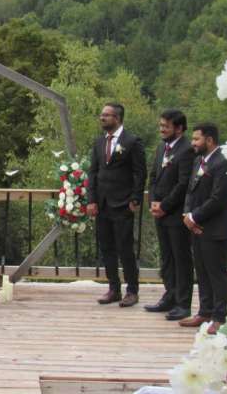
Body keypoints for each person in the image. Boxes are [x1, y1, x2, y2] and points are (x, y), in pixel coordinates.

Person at [87, 103, 146, 307]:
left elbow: (140, 172)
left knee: (125, 248)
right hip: (102, 203)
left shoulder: (132, 141)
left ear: (118, 118)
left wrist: (136, 198)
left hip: (122, 203)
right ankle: (114, 288)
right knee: (106, 247)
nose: (102, 118)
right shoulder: (99, 142)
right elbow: (92, 172)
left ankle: (132, 290)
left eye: (106, 115)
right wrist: (91, 200)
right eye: (101, 114)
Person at [179, 123, 227, 335]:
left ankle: (219, 317)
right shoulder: (198, 161)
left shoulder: (223, 162)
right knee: (201, 271)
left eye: (196, 139)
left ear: (209, 140)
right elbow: (190, 192)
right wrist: (187, 214)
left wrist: (195, 216)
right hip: (197, 227)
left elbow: (219, 198)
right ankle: (204, 311)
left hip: (216, 228)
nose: (192, 143)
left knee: (216, 273)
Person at [145, 110, 195, 321]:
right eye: (161, 125)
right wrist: (153, 203)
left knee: (181, 258)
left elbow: (183, 184)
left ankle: (183, 303)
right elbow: (154, 176)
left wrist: (165, 205)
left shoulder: (186, 150)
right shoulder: (161, 147)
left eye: (166, 126)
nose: (162, 129)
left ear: (179, 128)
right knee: (166, 258)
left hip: (176, 214)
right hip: (161, 212)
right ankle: (169, 295)